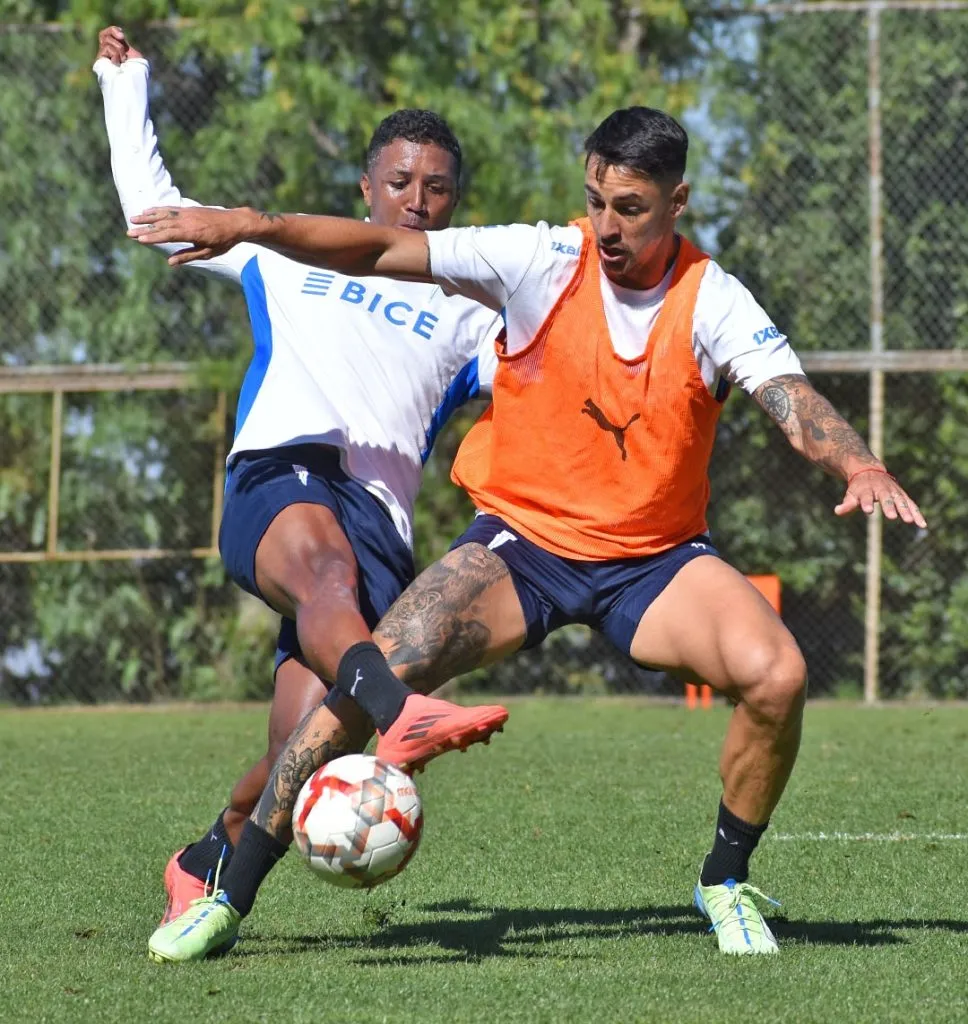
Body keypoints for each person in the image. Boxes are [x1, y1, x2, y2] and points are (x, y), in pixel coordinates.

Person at [133, 105, 925, 960]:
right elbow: (378, 248)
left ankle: (725, 881)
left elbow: (789, 394)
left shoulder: (712, 298)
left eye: (629, 207)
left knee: (779, 674)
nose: (606, 226)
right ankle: (228, 895)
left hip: (652, 562)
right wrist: (251, 226)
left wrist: (860, 465)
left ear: (677, 201)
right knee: (381, 668)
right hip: (522, 547)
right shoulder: (543, 258)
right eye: (595, 201)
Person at [93, 26, 510, 931]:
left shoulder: (474, 312)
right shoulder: (287, 254)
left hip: (381, 525)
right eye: (399, 182)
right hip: (282, 472)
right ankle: (401, 712)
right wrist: (125, 86)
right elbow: (149, 210)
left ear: (455, 202)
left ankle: (208, 855)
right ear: (366, 188)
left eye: (436, 188)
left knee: (302, 754)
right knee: (322, 573)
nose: (417, 202)